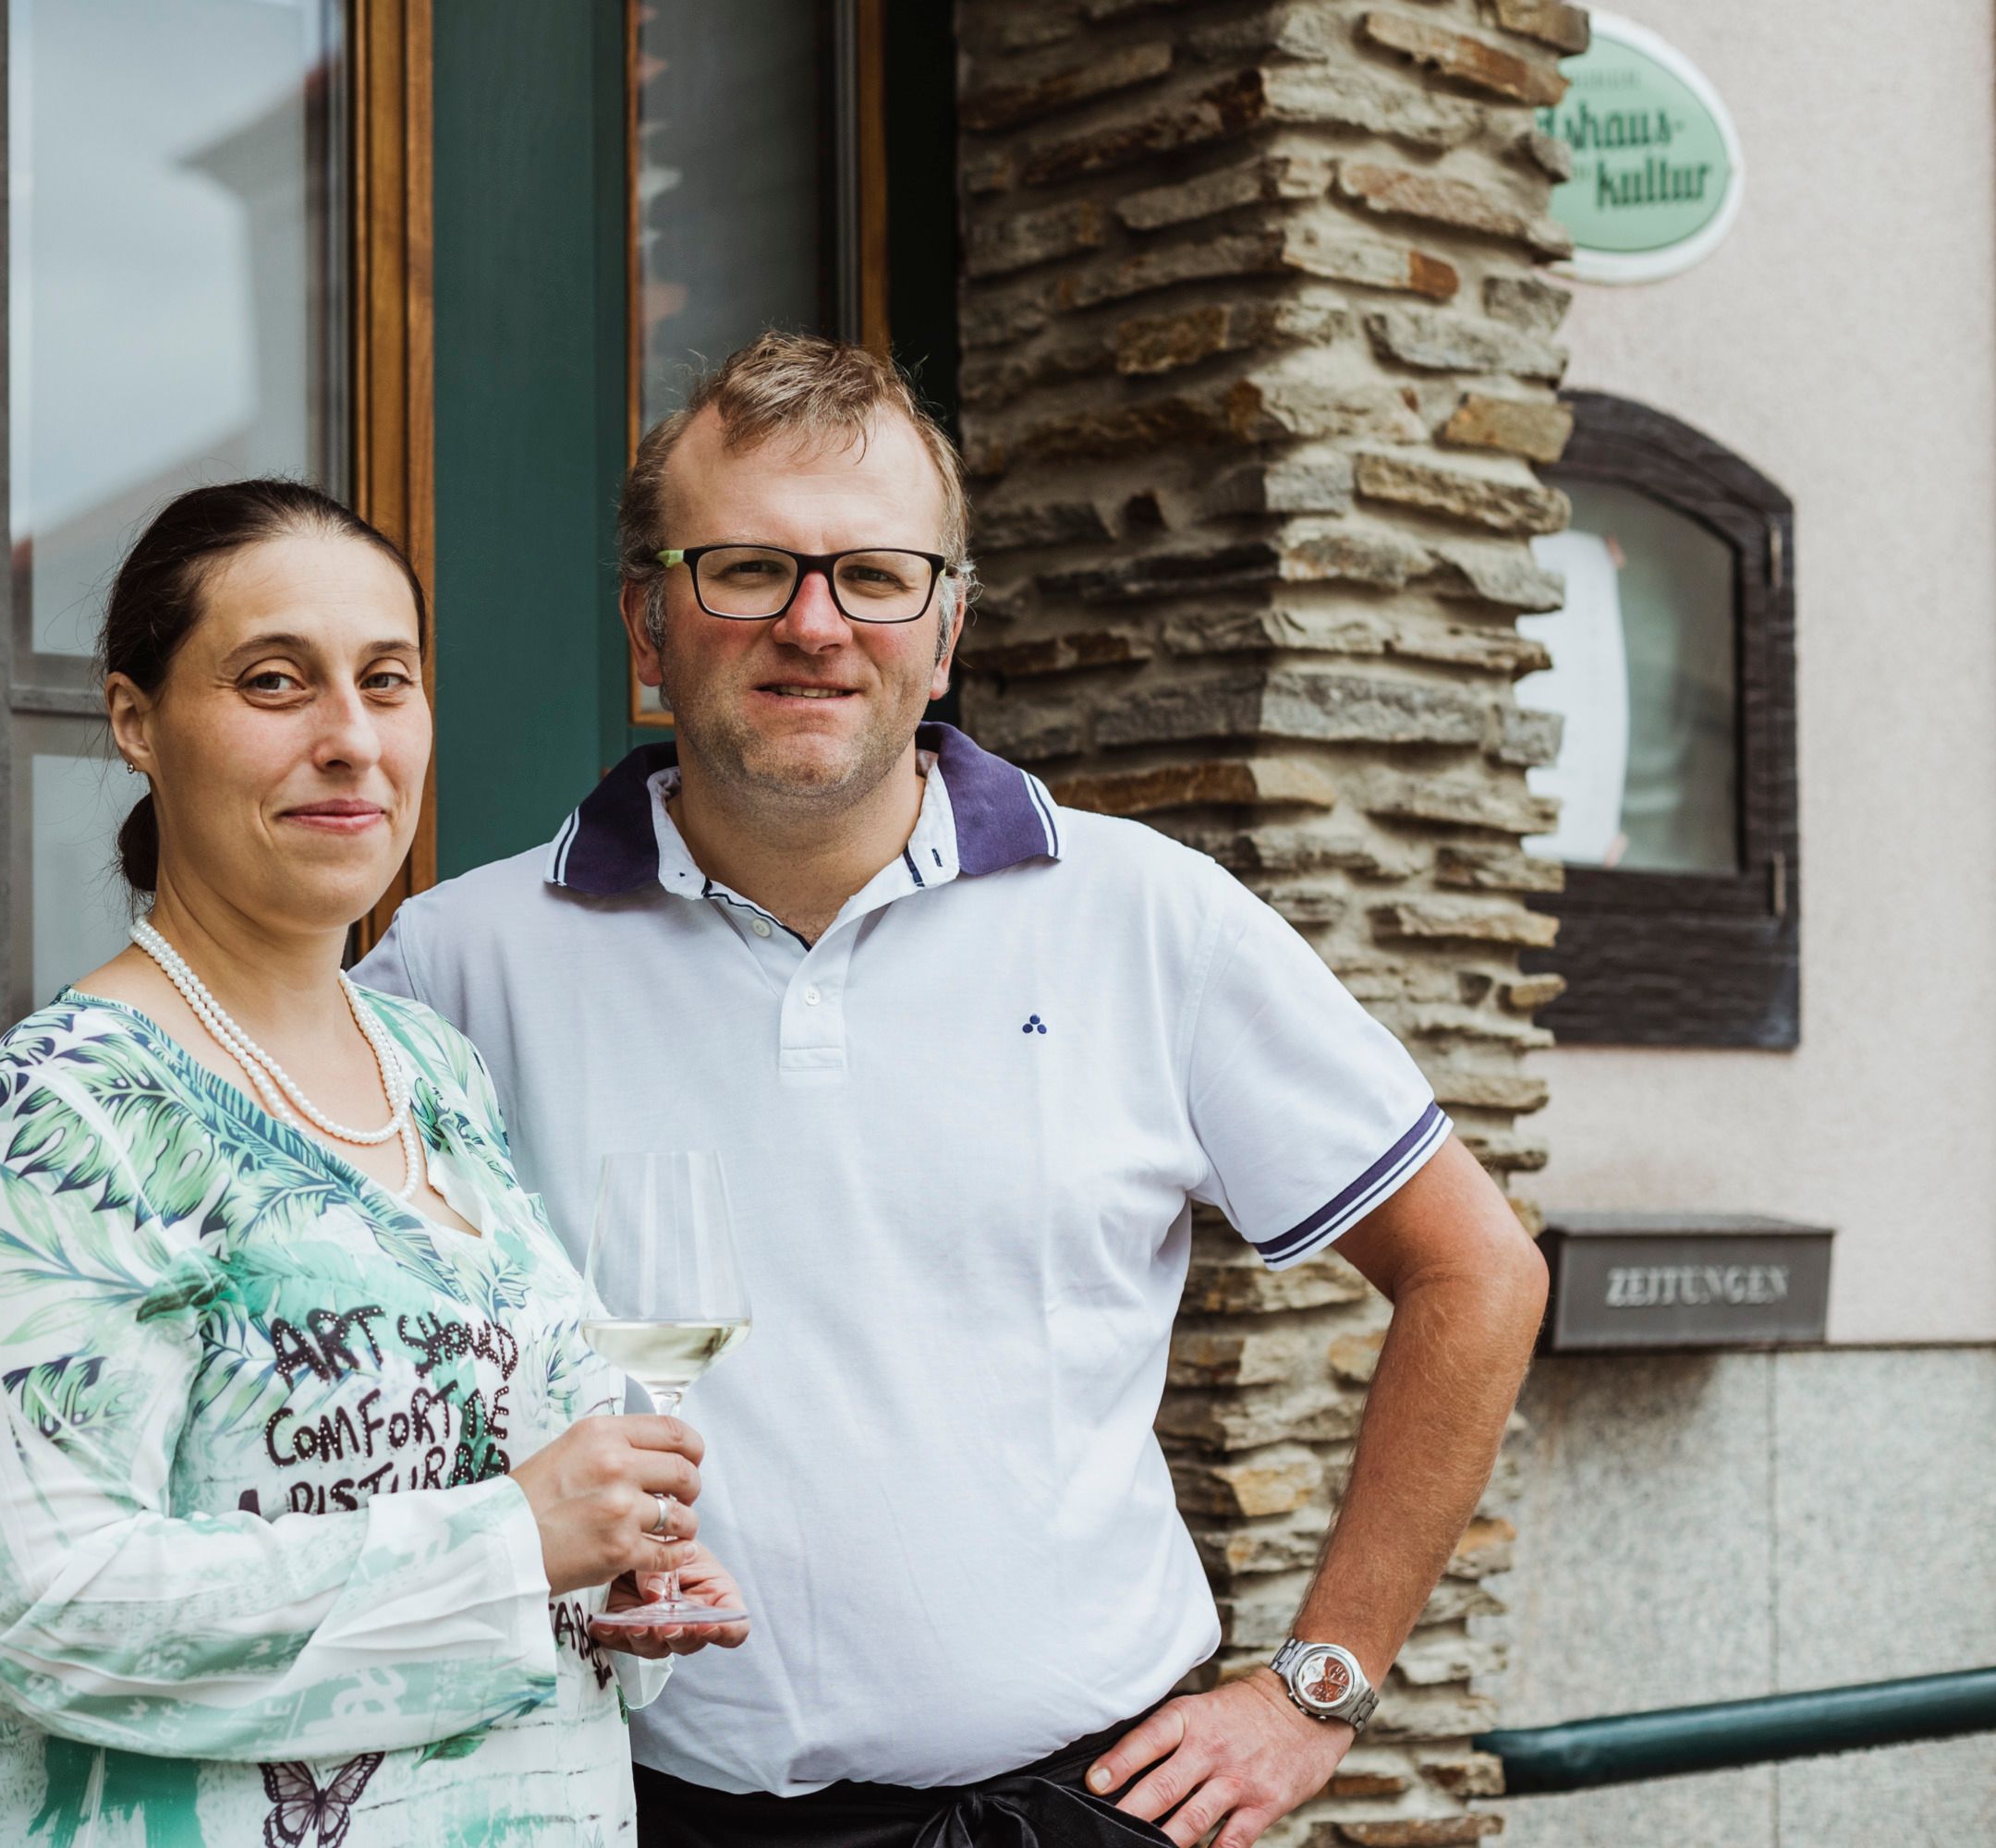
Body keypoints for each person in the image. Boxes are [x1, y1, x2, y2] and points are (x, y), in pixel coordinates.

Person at [356, 335, 1552, 1848]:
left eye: (874, 575)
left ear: (947, 629)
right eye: (744, 571)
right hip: (639, 1812)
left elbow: (1477, 1271)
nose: (813, 625)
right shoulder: (457, 968)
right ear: (648, 629)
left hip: (1087, 1810)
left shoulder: (1147, 916)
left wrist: (1317, 1688)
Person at [0, 479, 748, 1846]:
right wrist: (513, 1542)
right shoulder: (72, 1108)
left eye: (387, 681)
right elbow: (41, 1614)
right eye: (275, 682)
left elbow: (507, 1488)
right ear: (136, 721)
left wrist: (613, 1580)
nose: (351, 740)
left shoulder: (434, 1071)